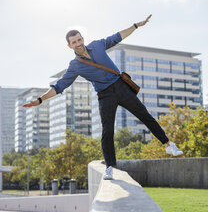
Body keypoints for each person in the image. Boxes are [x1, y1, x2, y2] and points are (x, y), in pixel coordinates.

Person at [23, 14, 183, 180]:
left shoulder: (98, 45)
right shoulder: (75, 66)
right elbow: (60, 86)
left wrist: (136, 25)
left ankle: (168, 145)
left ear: (82, 39)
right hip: (105, 95)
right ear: (69, 46)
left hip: (120, 87)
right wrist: (40, 100)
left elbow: (117, 37)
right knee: (107, 132)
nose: (78, 44)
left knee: (144, 115)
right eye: (74, 43)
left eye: (79, 40)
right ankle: (109, 167)